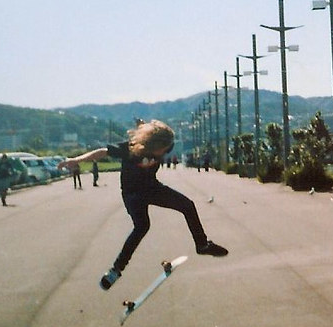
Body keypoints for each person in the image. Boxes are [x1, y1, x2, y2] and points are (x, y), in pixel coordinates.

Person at [59, 119, 228, 290]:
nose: (163, 153)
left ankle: (202, 244)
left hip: (152, 188)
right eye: (160, 150)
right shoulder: (130, 148)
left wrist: (144, 126)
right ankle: (116, 270)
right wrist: (77, 160)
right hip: (133, 194)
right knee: (142, 226)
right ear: (152, 144)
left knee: (187, 205)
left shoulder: (165, 144)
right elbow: (102, 152)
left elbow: (154, 133)